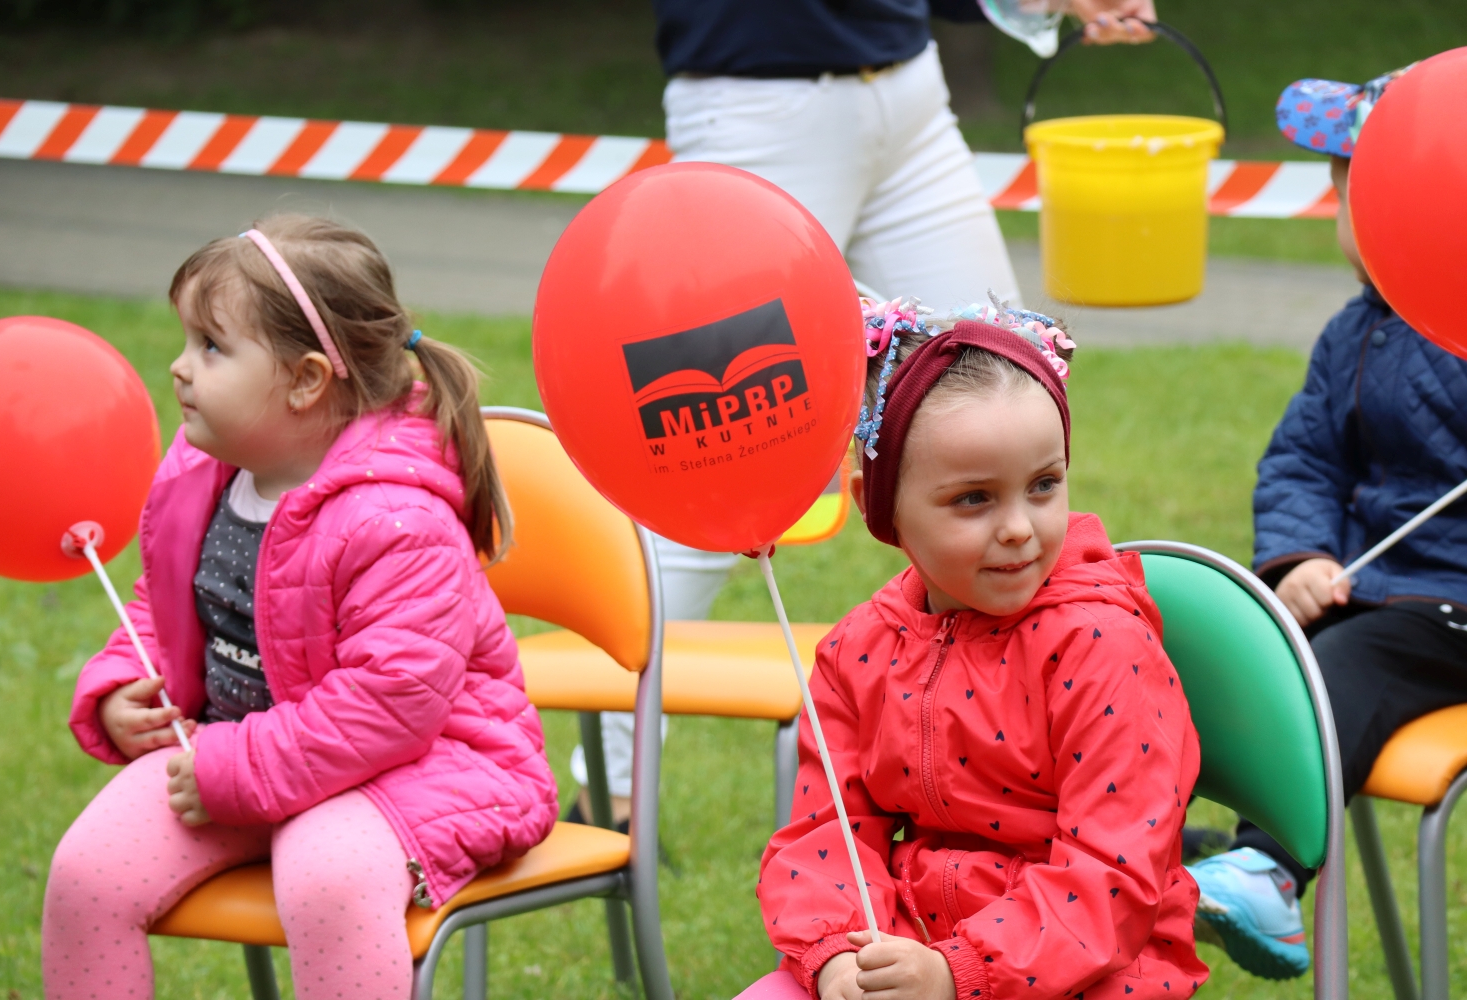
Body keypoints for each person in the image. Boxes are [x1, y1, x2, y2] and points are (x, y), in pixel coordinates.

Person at [569, 0, 1162, 834]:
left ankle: (1080, 781)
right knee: (703, 471)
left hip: (909, 86)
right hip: (758, 100)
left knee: (1007, 405)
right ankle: (612, 799)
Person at [43, 214, 560, 999]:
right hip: (248, 757)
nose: (180, 369)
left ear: (307, 380)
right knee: (88, 876)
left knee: (328, 875)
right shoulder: (208, 468)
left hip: (419, 766)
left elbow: (389, 704)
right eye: (187, 342)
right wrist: (121, 685)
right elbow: (166, 600)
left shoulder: (395, 519)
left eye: (211, 347)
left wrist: (234, 768)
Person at [739, 297, 1207, 1000]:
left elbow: (1114, 875)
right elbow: (825, 834)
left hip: (1090, 970)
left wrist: (958, 974)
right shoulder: (858, 652)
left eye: (1043, 486)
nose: (1020, 527)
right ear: (882, 507)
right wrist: (839, 952)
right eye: (974, 499)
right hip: (907, 947)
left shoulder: (1104, 650)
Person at [1183, 64, 1466, 984]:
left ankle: (1267, 867)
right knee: (1220, 647)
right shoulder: (1355, 331)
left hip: (1449, 609)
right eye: (1345, 194)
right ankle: (1149, 839)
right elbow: (1304, 461)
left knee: (1342, 668)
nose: (1346, 215)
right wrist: (1301, 558)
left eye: (1361, 194)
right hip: (1364, 586)